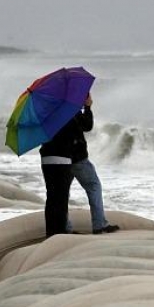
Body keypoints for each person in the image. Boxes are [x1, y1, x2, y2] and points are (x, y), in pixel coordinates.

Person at [68, 93, 120, 235]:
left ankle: (65, 226)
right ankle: (99, 225)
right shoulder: (69, 109)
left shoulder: (55, 110)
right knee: (93, 186)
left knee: (63, 193)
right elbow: (87, 125)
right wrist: (88, 107)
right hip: (77, 158)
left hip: (61, 158)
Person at [39, 117, 75, 238]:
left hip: (46, 159)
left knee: (51, 196)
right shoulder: (67, 114)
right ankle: (60, 232)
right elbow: (84, 127)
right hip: (63, 159)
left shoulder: (44, 116)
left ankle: (50, 231)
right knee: (62, 198)